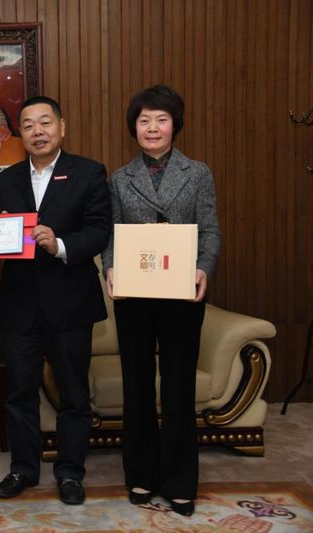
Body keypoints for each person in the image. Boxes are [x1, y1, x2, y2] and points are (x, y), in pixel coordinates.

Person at [101, 85, 221, 517]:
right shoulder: (120, 178)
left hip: (181, 293)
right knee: (136, 386)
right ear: (133, 127)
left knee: (178, 387)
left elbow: (210, 229)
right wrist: (110, 267)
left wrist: (203, 267)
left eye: (161, 120)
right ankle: (140, 475)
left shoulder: (198, 172)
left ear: (175, 125)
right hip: (134, 294)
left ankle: (179, 481)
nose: (152, 128)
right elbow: (111, 235)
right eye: (144, 120)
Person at [0, 96, 111, 505]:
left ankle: (70, 472)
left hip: (70, 300)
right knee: (19, 392)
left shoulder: (89, 173)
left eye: (45, 122)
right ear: (20, 134)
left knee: (73, 394)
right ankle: (23, 469)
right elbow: (2, 236)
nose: (37, 131)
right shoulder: (6, 180)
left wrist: (59, 244)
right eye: (28, 125)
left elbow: (99, 231)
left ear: (62, 127)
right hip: (19, 303)